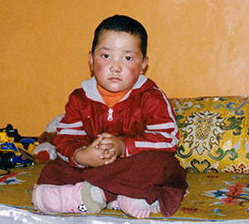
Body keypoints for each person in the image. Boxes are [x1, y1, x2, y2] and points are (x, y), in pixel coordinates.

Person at [32, 15, 187, 219]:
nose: (116, 66)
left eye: (128, 58)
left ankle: (99, 194)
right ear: (90, 59)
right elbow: (65, 139)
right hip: (93, 167)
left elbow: (168, 140)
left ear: (143, 65)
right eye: (106, 56)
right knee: (54, 170)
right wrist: (82, 156)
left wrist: (124, 146)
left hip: (133, 165)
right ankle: (120, 195)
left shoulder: (151, 97)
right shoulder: (80, 98)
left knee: (162, 167)